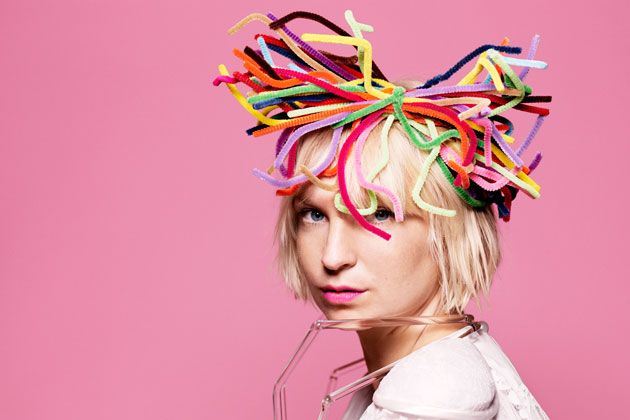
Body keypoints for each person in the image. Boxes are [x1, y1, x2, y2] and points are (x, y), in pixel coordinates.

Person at [213, 9, 552, 419]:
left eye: (378, 214)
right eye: (314, 215)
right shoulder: (428, 367)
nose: (333, 257)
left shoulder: (432, 393)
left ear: (449, 230)